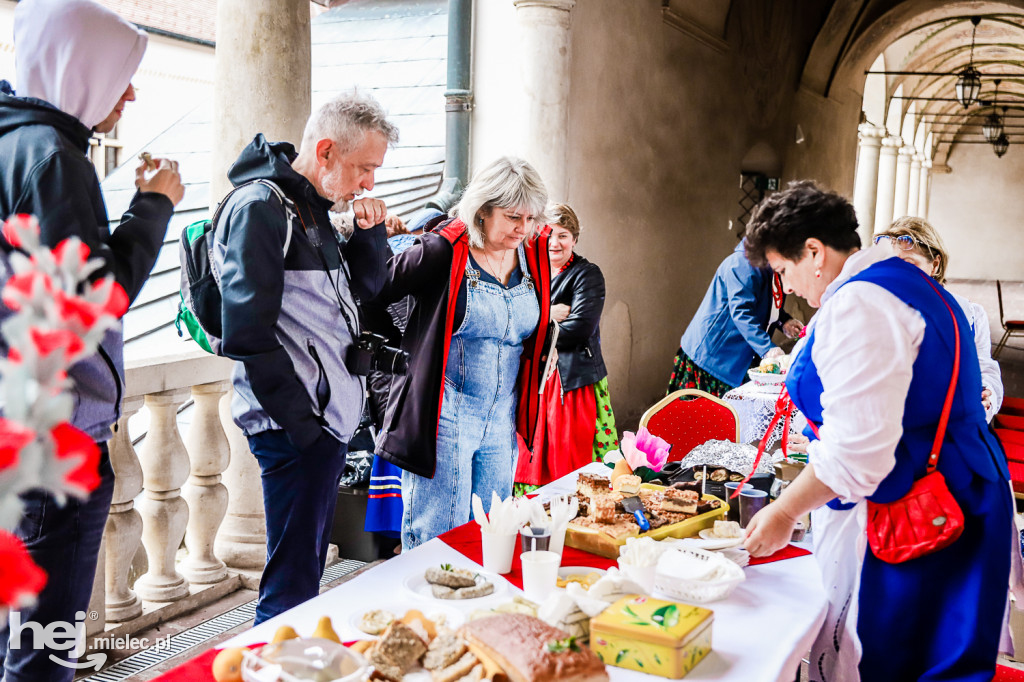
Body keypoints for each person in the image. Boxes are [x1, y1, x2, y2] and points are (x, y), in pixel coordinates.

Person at [742, 181, 1012, 681]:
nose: (790, 288)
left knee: (899, 660)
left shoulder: (862, 303)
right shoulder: (898, 283)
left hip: (924, 511)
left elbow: (857, 454)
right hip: (955, 488)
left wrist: (783, 511)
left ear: (815, 252)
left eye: (785, 270)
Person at [0, 1, 184, 678]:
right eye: (120, 73)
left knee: (16, 633)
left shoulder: (12, 143)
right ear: (80, 70)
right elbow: (91, 302)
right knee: (44, 650)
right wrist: (155, 204)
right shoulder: (52, 157)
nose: (130, 91)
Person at [215, 91, 394, 624]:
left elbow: (366, 289)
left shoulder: (312, 207)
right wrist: (304, 426)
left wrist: (370, 234)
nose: (370, 183)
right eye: (365, 168)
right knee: (290, 584)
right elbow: (245, 333)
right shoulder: (261, 207)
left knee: (304, 573)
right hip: (295, 427)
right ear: (326, 151)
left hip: (324, 422)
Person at [368, 157, 553, 550]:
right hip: (447, 414)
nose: (524, 229)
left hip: (502, 417)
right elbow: (372, 290)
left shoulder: (531, 252)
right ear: (482, 212)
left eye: (531, 218)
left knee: (495, 535)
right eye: (513, 217)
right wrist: (400, 362)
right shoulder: (444, 249)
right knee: (439, 537)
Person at [515, 204, 618, 492]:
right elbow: (512, 318)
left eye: (563, 235)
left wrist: (531, 325)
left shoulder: (587, 274)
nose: (554, 243)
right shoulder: (527, 271)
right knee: (531, 457)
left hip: (571, 383)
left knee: (570, 458)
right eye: (548, 235)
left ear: (574, 238)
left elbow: (580, 329)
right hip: (533, 381)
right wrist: (546, 315)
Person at [875, 217, 1003, 422]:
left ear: (934, 264)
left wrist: (987, 395)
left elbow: (985, 368)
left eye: (909, 264)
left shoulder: (970, 315)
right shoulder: (872, 312)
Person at [668, 239, 803, 398]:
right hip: (713, 359)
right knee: (702, 419)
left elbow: (766, 303)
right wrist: (768, 349)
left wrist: (784, 321)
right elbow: (742, 311)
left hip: (738, 357)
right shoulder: (743, 264)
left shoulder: (771, 266)